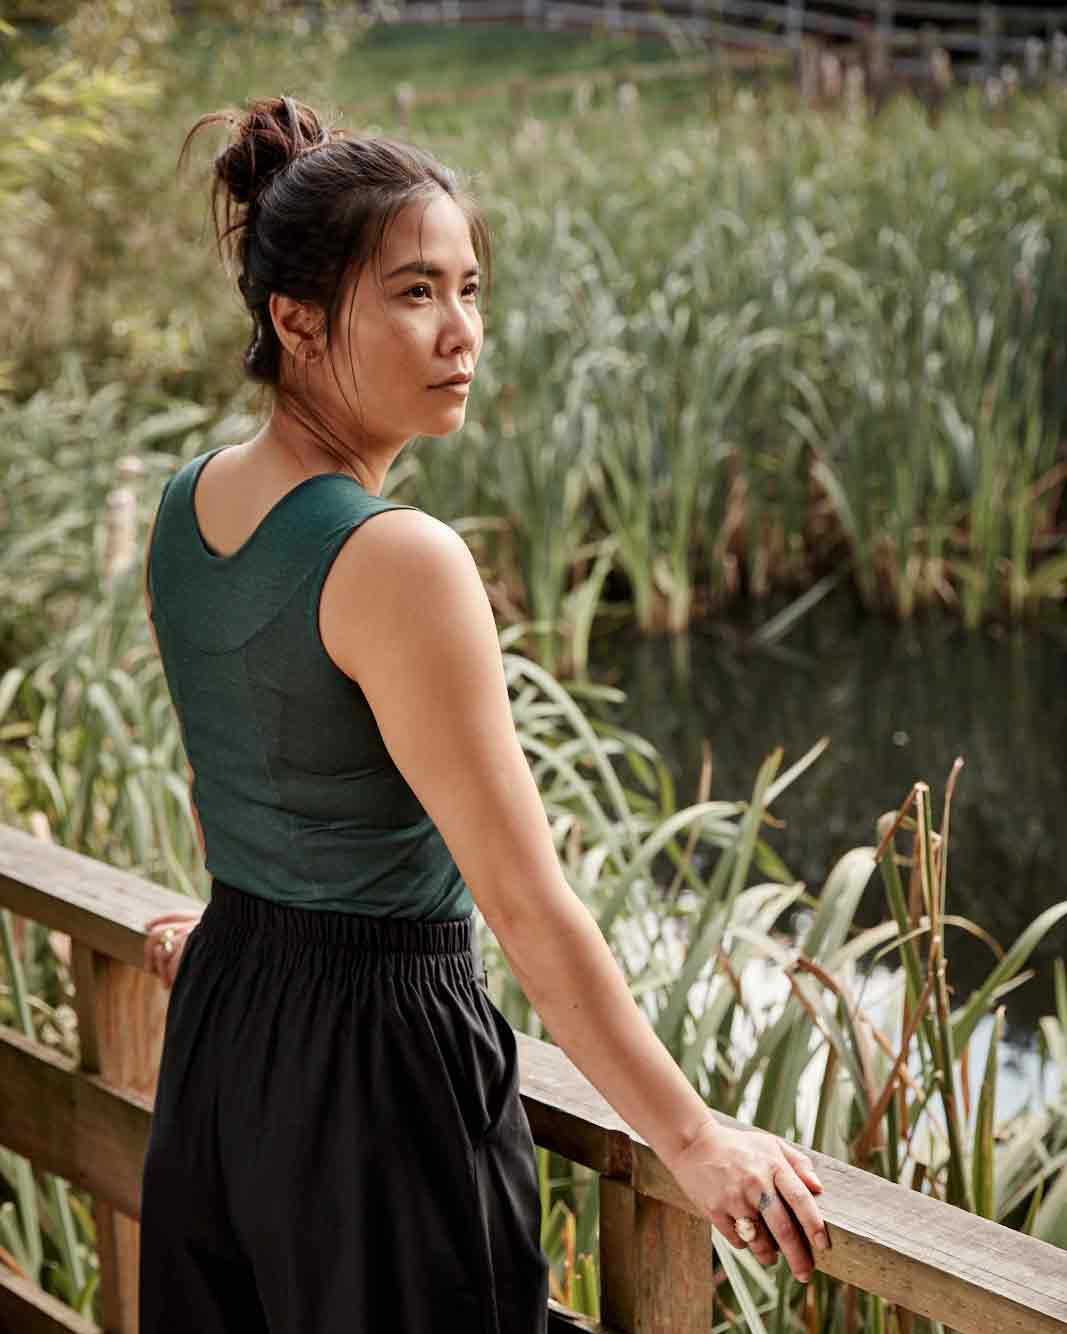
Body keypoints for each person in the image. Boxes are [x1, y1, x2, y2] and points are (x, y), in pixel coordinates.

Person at [139, 95, 828, 1334]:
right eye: (412, 293)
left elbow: (242, 776)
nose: (459, 333)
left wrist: (251, 925)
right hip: (375, 1073)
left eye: (469, 288)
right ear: (295, 320)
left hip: (228, 1023)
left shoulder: (191, 506)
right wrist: (692, 1138)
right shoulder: (399, 557)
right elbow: (521, 900)